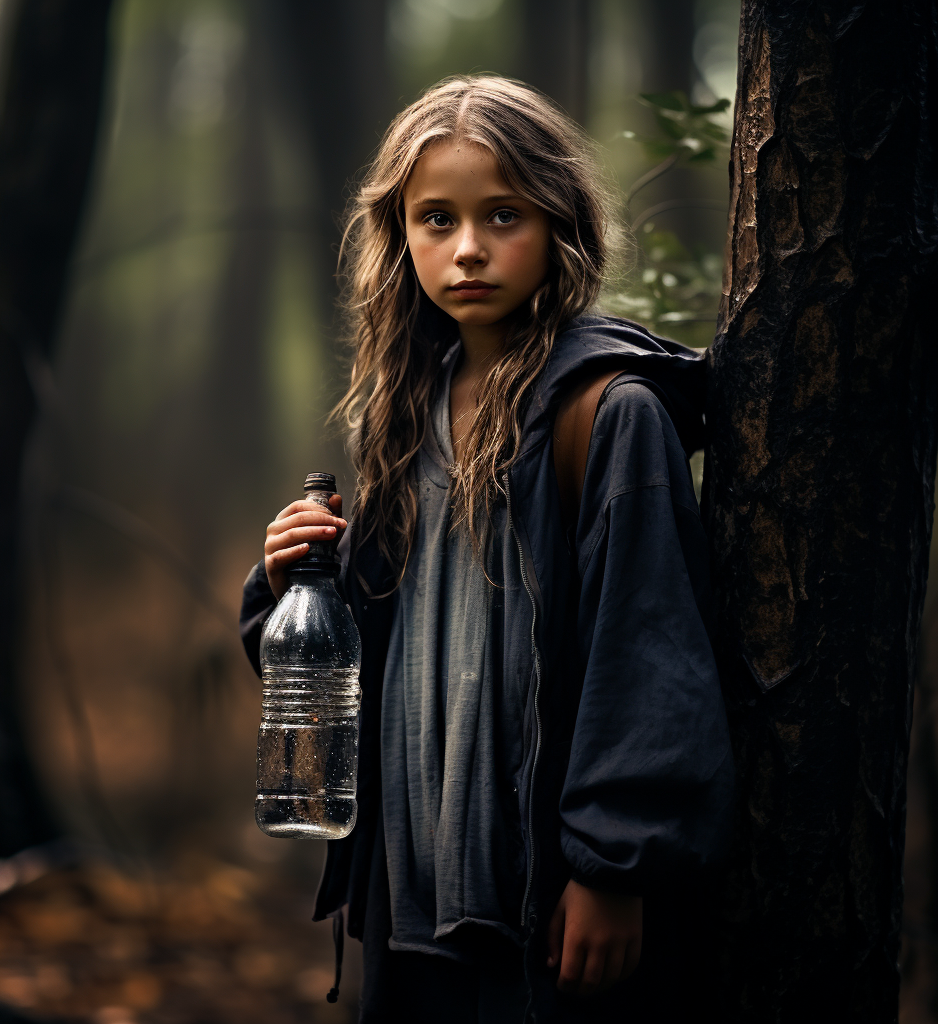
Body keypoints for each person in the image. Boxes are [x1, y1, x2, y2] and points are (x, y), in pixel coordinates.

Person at [240, 75, 734, 1023]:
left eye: (502, 214)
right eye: (435, 219)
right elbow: (364, 647)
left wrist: (613, 867)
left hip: (545, 904)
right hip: (406, 897)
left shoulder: (610, 413)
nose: (467, 248)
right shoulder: (398, 417)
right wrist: (285, 583)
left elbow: (650, 650)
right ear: (402, 236)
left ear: (560, 223)